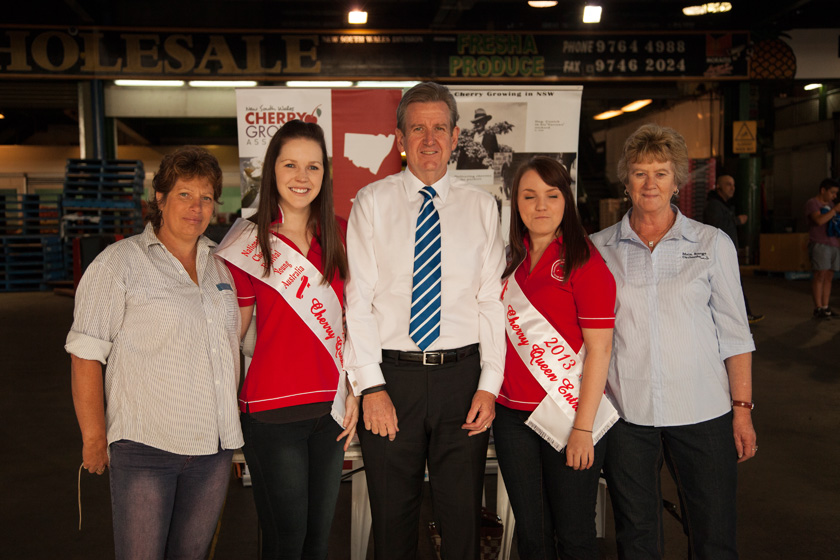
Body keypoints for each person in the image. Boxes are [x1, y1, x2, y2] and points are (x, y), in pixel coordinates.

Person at [344, 82, 506, 560]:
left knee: (461, 524)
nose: (429, 139)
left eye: (439, 128)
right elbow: (358, 301)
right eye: (418, 129)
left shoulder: (482, 207)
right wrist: (371, 387)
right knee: (393, 525)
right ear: (400, 138)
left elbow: (490, 302)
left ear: (456, 137)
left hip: (463, 380)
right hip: (392, 381)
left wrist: (489, 386)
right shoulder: (371, 202)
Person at [66, 146, 243, 560]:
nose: (196, 207)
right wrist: (94, 438)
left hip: (213, 449)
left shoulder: (221, 267)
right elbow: (85, 354)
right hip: (146, 448)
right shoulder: (118, 265)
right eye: (185, 194)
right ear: (159, 199)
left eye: (206, 197)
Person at [590, 124, 757, 559]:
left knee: (714, 534)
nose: (650, 184)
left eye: (661, 173)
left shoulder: (712, 243)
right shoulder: (599, 249)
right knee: (637, 537)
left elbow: (735, 334)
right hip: (627, 414)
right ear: (626, 181)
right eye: (640, 173)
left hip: (703, 411)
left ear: (677, 181)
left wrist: (742, 411)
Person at [215, 120, 358, 560]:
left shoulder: (341, 232)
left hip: (330, 412)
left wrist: (355, 389)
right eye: (290, 164)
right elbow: (232, 334)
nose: (302, 177)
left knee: (318, 542)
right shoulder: (247, 240)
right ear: (271, 170)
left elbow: (353, 321)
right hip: (271, 412)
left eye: (313, 167)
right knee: (286, 542)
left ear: (324, 174)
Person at [494, 156, 618, 560]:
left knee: (575, 534)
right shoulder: (509, 261)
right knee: (533, 535)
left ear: (567, 200)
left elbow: (600, 349)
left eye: (552, 195)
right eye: (529, 196)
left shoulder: (586, 262)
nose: (541, 206)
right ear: (516, 203)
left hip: (569, 416)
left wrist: (583, 428)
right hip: (512, 417)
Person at [702, 174, 763, 323]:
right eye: (728, 184)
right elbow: (716, 227)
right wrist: (737, 220)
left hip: (726, 253)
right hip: (719, 253)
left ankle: (743, 315)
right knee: (731, 284)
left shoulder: (723, 205)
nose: (732, 188)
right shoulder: (714, 205)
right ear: (718, 186)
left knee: (734, 284)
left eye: (733, 185)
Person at [804, 178, 840, 319]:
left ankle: (826, 306)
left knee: (829, 276)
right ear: (823, 190)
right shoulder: (812, 203)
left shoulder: (831, 205)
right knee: (820, 275)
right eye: (832, 192)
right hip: (820, 243)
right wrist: (834, 211)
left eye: (836, 193)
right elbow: (819, 220)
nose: (834, 196)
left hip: (833, 244)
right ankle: (818, 307)